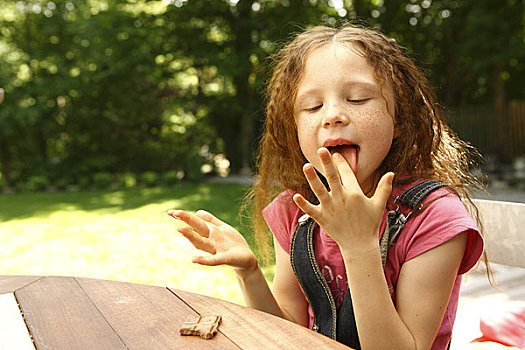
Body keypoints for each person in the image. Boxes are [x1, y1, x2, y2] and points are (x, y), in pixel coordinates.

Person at [168, 24, 485, 350]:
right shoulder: (294, 210)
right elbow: (286, 332)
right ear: (294, 129)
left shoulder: (434, 217)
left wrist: (359, 245)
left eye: (358, 98)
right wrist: (248, 272)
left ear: (400, 121)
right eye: (312, 107)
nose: (332, 115)